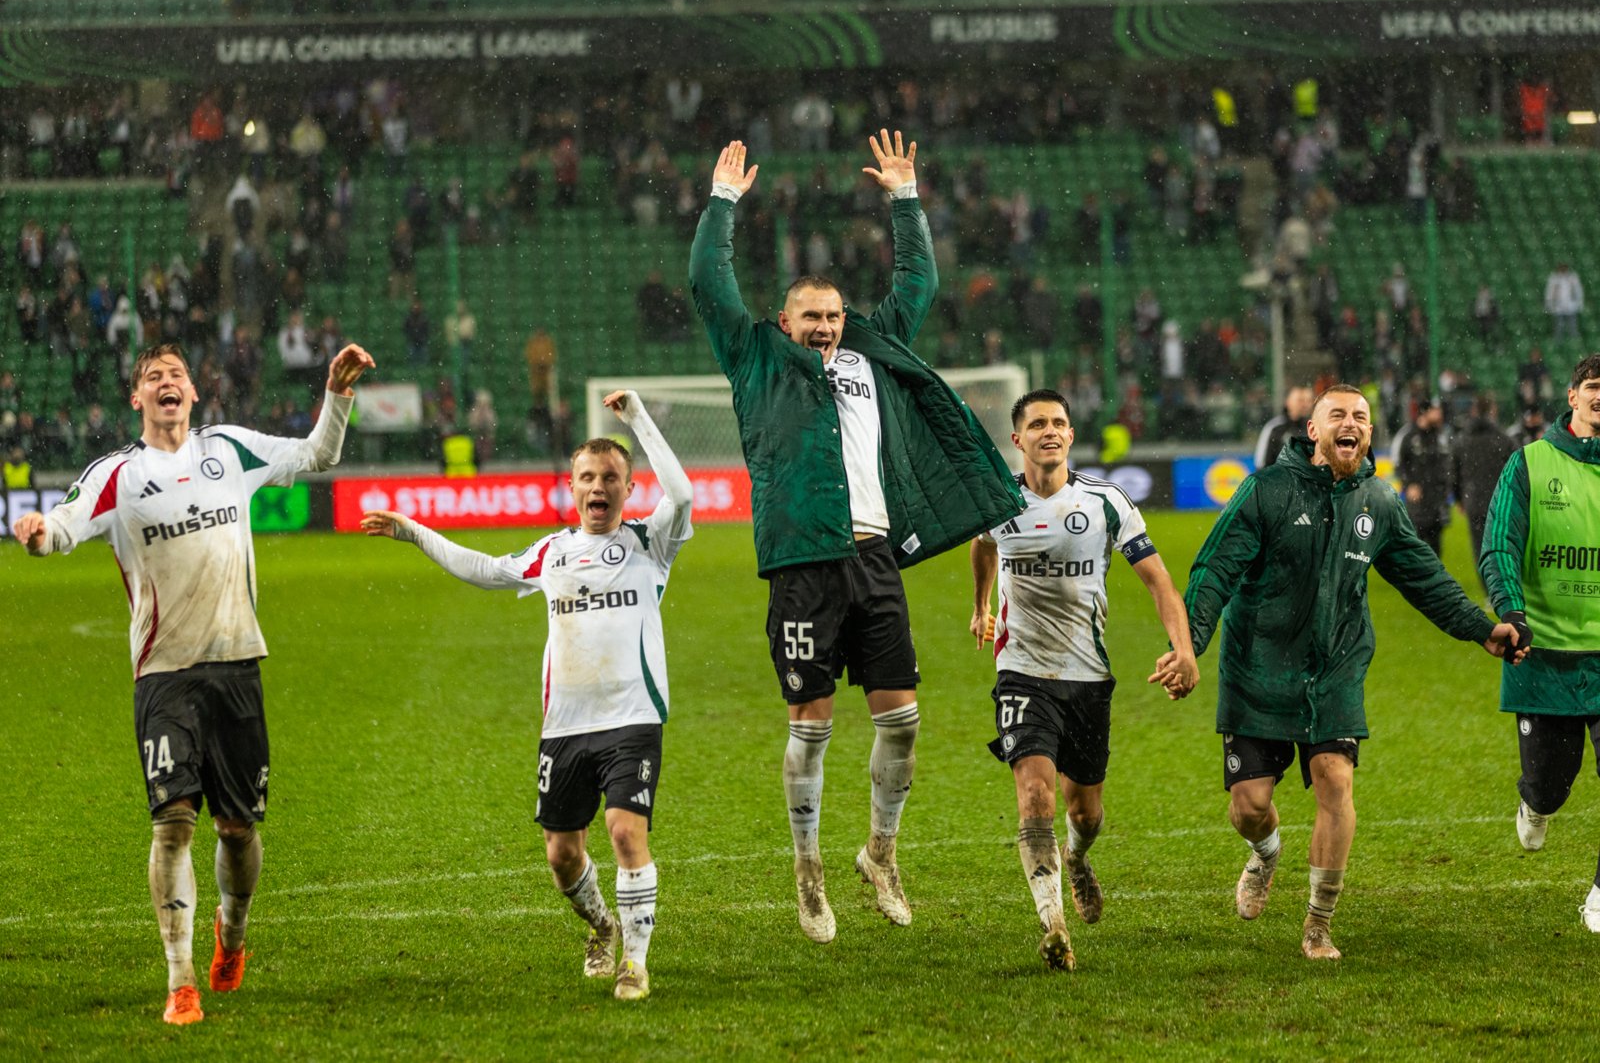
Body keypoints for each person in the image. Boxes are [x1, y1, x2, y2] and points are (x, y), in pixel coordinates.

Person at [689, 134, 1023, 943]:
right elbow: (708, 282)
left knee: (901, 719)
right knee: (811, 723)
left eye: (836, 315)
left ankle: (880, 852)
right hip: (803, 561)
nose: (828, 326)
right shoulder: (754, 355)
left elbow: (920, 281)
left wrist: (906, 199)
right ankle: (807, 869)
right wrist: (722, 204)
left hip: (875, 556)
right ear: (784, 319)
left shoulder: (871, 348)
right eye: (814, 315)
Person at [11, 341, 375, 1025]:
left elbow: (317, 455)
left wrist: (337, 394)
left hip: (237, 662)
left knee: (237, 830)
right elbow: (61, 525)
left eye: (176, 373)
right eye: (153, 376)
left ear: (194, 391)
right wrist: (36, 533)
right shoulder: (117, 474)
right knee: (172, 822)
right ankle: (180, 979)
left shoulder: (230, 449)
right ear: (136, 397)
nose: (166, 383)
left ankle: (230, 935)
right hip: (164, 673)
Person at [361, 390, 691, 1000]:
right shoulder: (552, 551)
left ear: (626, 487)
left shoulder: (651, 543)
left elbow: (685, 494)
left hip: (632, 719)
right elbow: (483, 569)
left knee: (624, 834)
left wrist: (639, 418)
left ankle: (635, 964)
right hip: (564, 725)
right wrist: (413, 532)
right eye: (587, 477)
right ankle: (601, 926)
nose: (599, 487)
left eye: (611, 478)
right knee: (563, 855)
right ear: (572, 488)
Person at [1178, 384, 1525, 962]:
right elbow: (1215, 570)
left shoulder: (1378, 502)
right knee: (1249, 804)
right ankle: (1265, 854)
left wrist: (1479, 627)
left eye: (1360, 417)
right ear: (1312, 430)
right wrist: (1188, 643)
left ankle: (1318, 925)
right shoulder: (1266, 491)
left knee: (1336, 781)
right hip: (1258, 666)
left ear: (1369, 433)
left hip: (1334, 667)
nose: (1351, 423)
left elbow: (1425, 577)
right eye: (1337, 414)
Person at [970, 388, 1198, 971]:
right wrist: (982, 605)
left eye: (1061, 423)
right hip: (1021, 671)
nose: (1051, 431)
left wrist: (1184, 649)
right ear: (1018, 439)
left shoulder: (1106, 502)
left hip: (1088, 677)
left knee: (1085, 813)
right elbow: (982, 546)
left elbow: (1159, 582)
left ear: (1071, 436)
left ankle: (1076, 858)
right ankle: (1053, 926)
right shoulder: (997, 502)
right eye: (1039, 424)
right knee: (1035, 795)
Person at [1478, 353, 1600, 933]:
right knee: (1552, 783)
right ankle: (1536, 802)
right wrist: (1511, 611)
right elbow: (1499, 542)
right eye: (1595, 388)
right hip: (1543, 654)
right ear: (1573, 396)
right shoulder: (1529, 463)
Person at [1451, 393, 1517, 576]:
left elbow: (1454, 473)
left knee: (1480, 548)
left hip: (1473, 501)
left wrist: (1459, 499)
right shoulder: (1503, 439)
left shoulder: (1462, 440)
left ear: (1474, 411)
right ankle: (1501, 586)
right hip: (1499, 501)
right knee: (1501, 546)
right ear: (1493, 410)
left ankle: (1488, 589)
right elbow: (1517, 469)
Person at [1392, 399, 1452, 557]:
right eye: (1436, 410)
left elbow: (1446, 465)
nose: (1440, 414)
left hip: (1437, 499)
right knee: (1417, 544)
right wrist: (1409, 484)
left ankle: (1434, 580)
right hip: (1418, 500)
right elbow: (1399, 465)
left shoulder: (1440, 436)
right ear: (1425, 412)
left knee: (1436, 548)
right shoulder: (1408, 436)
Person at [1253, 384, 1313, 470]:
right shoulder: (1275, 428)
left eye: (1308, 401)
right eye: (1300, 400)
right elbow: (1261, 463)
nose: (1305, 405)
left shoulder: (1314, 427)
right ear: (1288, 402)